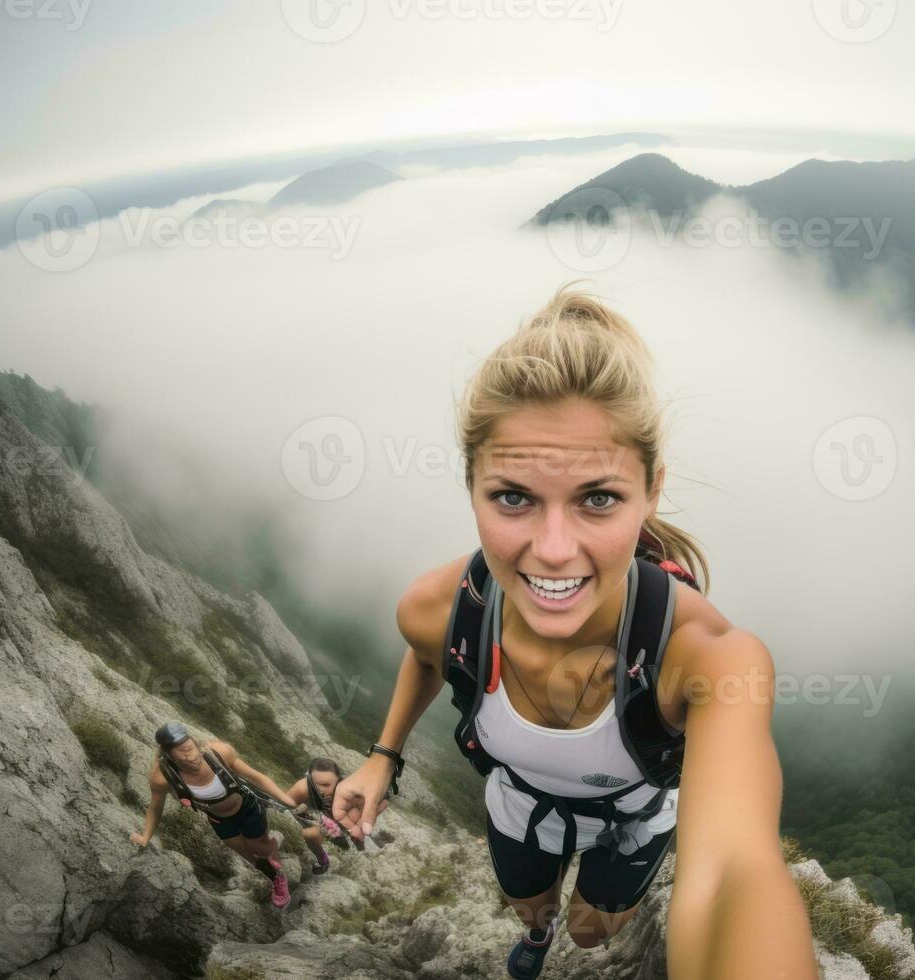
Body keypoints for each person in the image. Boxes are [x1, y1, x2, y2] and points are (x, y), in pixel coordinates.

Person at [331, 285, 817, 978]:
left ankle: (569, 935)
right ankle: (535, 936)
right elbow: (424, 657)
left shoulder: (704, 657)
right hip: (519, 803)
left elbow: (732, 874)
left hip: (631, 819)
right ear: (469, 486)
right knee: (530, 907)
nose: (554, 549)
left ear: (650, 492)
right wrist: (384, 756)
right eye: (512, 497)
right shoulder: (439, 609)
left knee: (590, 933)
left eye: (597, 498)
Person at [130, 723, 298, 910]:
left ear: (195, 742)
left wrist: (288, 801)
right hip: (219, 820)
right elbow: (155, 809)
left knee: (258, 846)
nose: (192, 757)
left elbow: (256, 777)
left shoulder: (220, 753)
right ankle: (277, 879)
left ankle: (271, 847)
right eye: (183, 754)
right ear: (168, 755)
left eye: (191, 749)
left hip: (247, 807)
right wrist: (145, 837)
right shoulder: (163, 777)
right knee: (248, 856)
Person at [281, 757, 364, 874]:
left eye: (326, 784)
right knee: (310, 834)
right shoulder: (302, 788)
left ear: (338, 781)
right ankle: (323, 861)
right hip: (312, 820)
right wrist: (302, 809)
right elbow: (282, 808)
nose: (320, 789)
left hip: (342, 831)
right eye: (316, 783)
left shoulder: (349, 796)